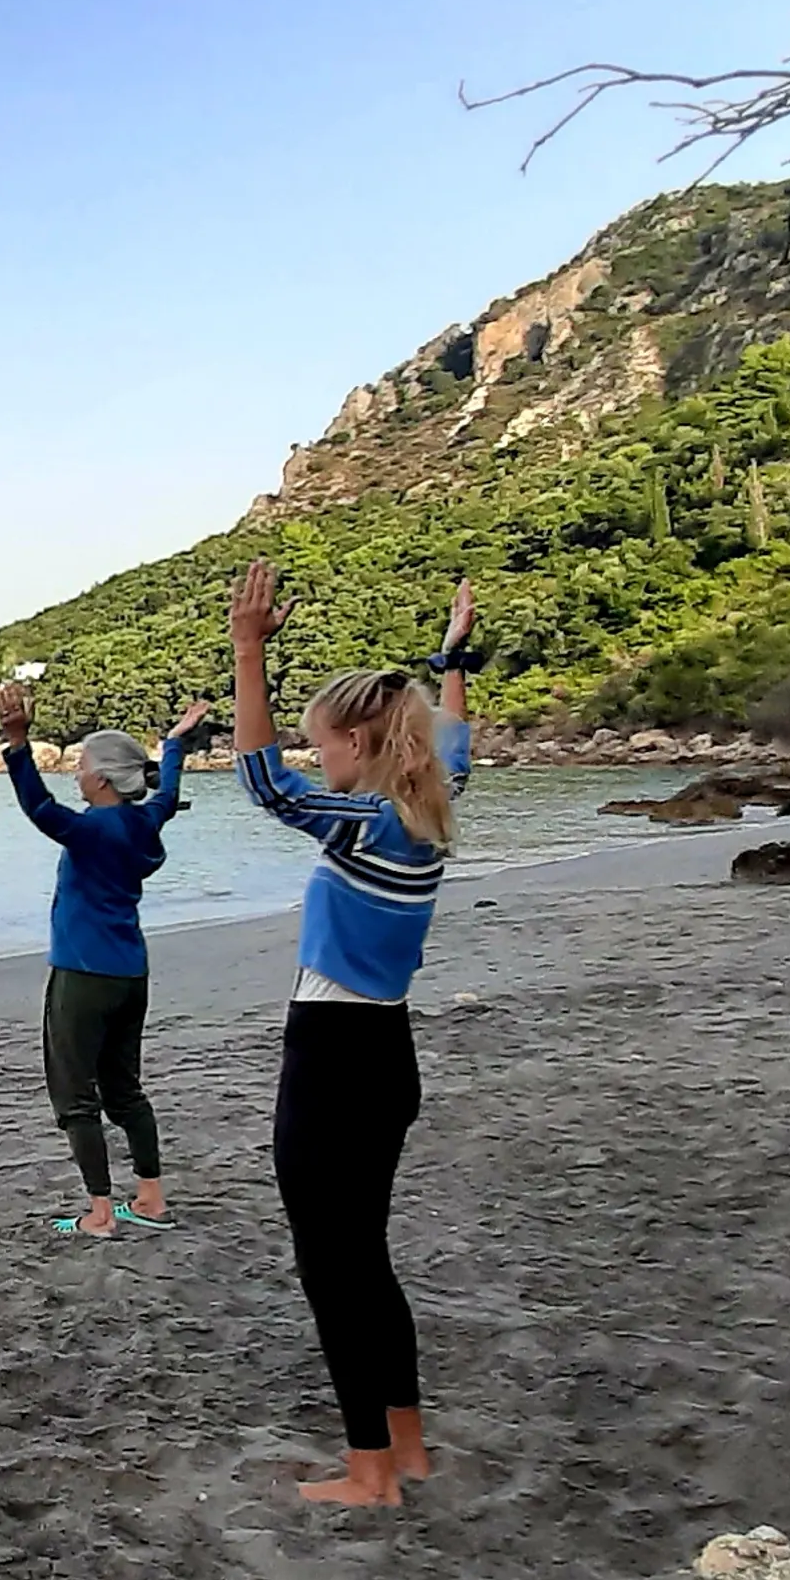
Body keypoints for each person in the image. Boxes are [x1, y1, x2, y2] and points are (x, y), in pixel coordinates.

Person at [229, 561, 477, 1509]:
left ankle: (370, 1473)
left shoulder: (372, 821)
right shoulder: (428, 806)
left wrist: (250, 648)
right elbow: (453, 738)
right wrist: (451, 655)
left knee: (332, 1268)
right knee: (366, 1258)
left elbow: (265, 788)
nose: (313, 756)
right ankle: (405, 1447)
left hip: (332, 1059)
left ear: (361, 741)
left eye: (320, 742)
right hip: (387, 1054)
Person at [0, 682, 208, 1239]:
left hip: (83, 975)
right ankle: (151, 1200)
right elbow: (168, 789)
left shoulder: (91, 830)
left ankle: (100, 1211)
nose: (76, 773)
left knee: (74, 1095)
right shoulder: (147, 819)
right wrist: (176, 742)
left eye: (83, 765)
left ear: (105, 779)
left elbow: (40, 809)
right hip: (129, 974)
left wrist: (17, 745)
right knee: (125, 1089)